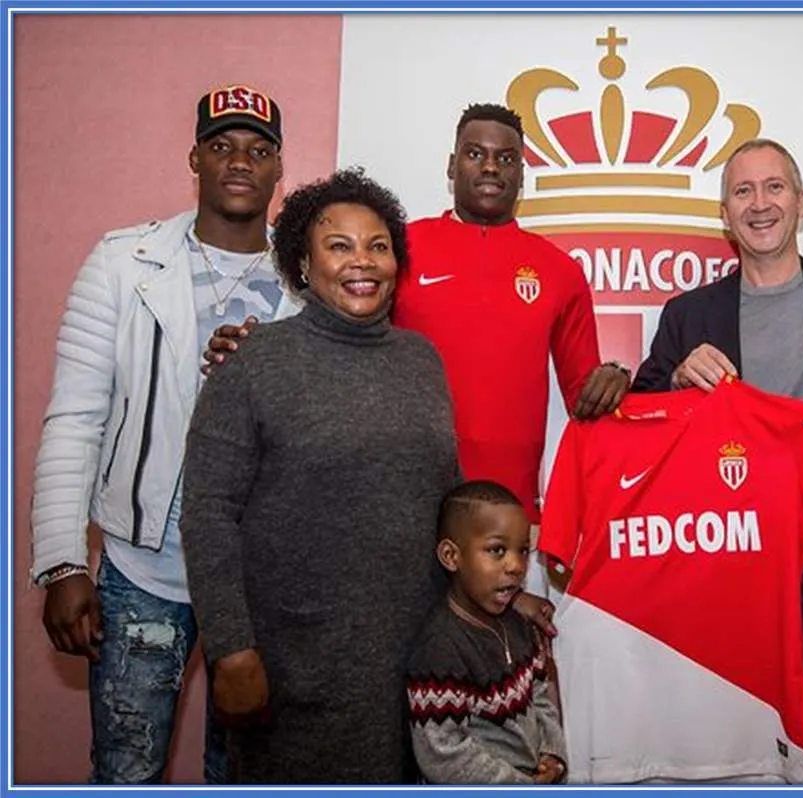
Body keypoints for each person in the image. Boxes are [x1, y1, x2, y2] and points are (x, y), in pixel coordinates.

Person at [203, 104, 630, 603]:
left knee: (501, 676)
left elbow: (587, 398)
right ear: (452, 168)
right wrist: (254, 349)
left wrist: (617, 378)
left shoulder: (560, 271)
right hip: (401, 515)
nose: (490, 167)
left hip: (510, 526)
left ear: (522, 174)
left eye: (505, 158)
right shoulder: (396, 251)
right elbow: (331, 336)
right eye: (475, 154)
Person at [29, 84, 286, 784]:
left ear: (278, 169)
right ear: (194, 158)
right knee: (125, 772)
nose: (240, 161)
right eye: (222, 146)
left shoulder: (307, 282)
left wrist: (270, 371)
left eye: (259, 150)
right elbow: (76, 416)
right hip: (144, 570)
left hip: (257, 581)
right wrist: (61, 562)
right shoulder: (123, 262)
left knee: (243, 774)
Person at [179, 169, 457, 783]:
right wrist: (230, 649)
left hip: (415, 661)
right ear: (303, 263)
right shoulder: (254, 361)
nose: (363, 261)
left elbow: (444, 503)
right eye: (340, 246)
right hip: (293, 665)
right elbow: (207, 511)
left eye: (378, 246)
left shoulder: (422, 361)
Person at [631, 138, 803, 784]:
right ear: (723, 214)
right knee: (735, 740)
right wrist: (673, 382)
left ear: (801, 203)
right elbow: (634, 418)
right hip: (728, 557)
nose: (759, 203)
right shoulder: (688, 315)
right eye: (742, 191)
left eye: (774, 187)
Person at [407, 480, 567, 784]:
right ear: (451, 556)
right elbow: (444, 755)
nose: (516, 565)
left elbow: (541, 696)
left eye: (522, 551)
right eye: (497, 550)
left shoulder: (519, 625)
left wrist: (553, 755)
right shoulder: (442, 646)